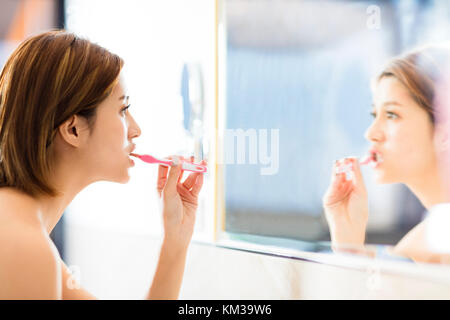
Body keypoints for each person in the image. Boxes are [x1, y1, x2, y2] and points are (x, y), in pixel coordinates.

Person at [0, 30, 205, 299]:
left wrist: (176, 241)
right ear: (73, 129)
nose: (136, 130)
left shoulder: (20, 228)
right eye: (123, 110)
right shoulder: (26, 248)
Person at [322, 44, 450, 264]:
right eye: (375, 114)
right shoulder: (418, 245)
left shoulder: (425, 248)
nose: (371, 133)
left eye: (392, 115)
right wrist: (348, 243)